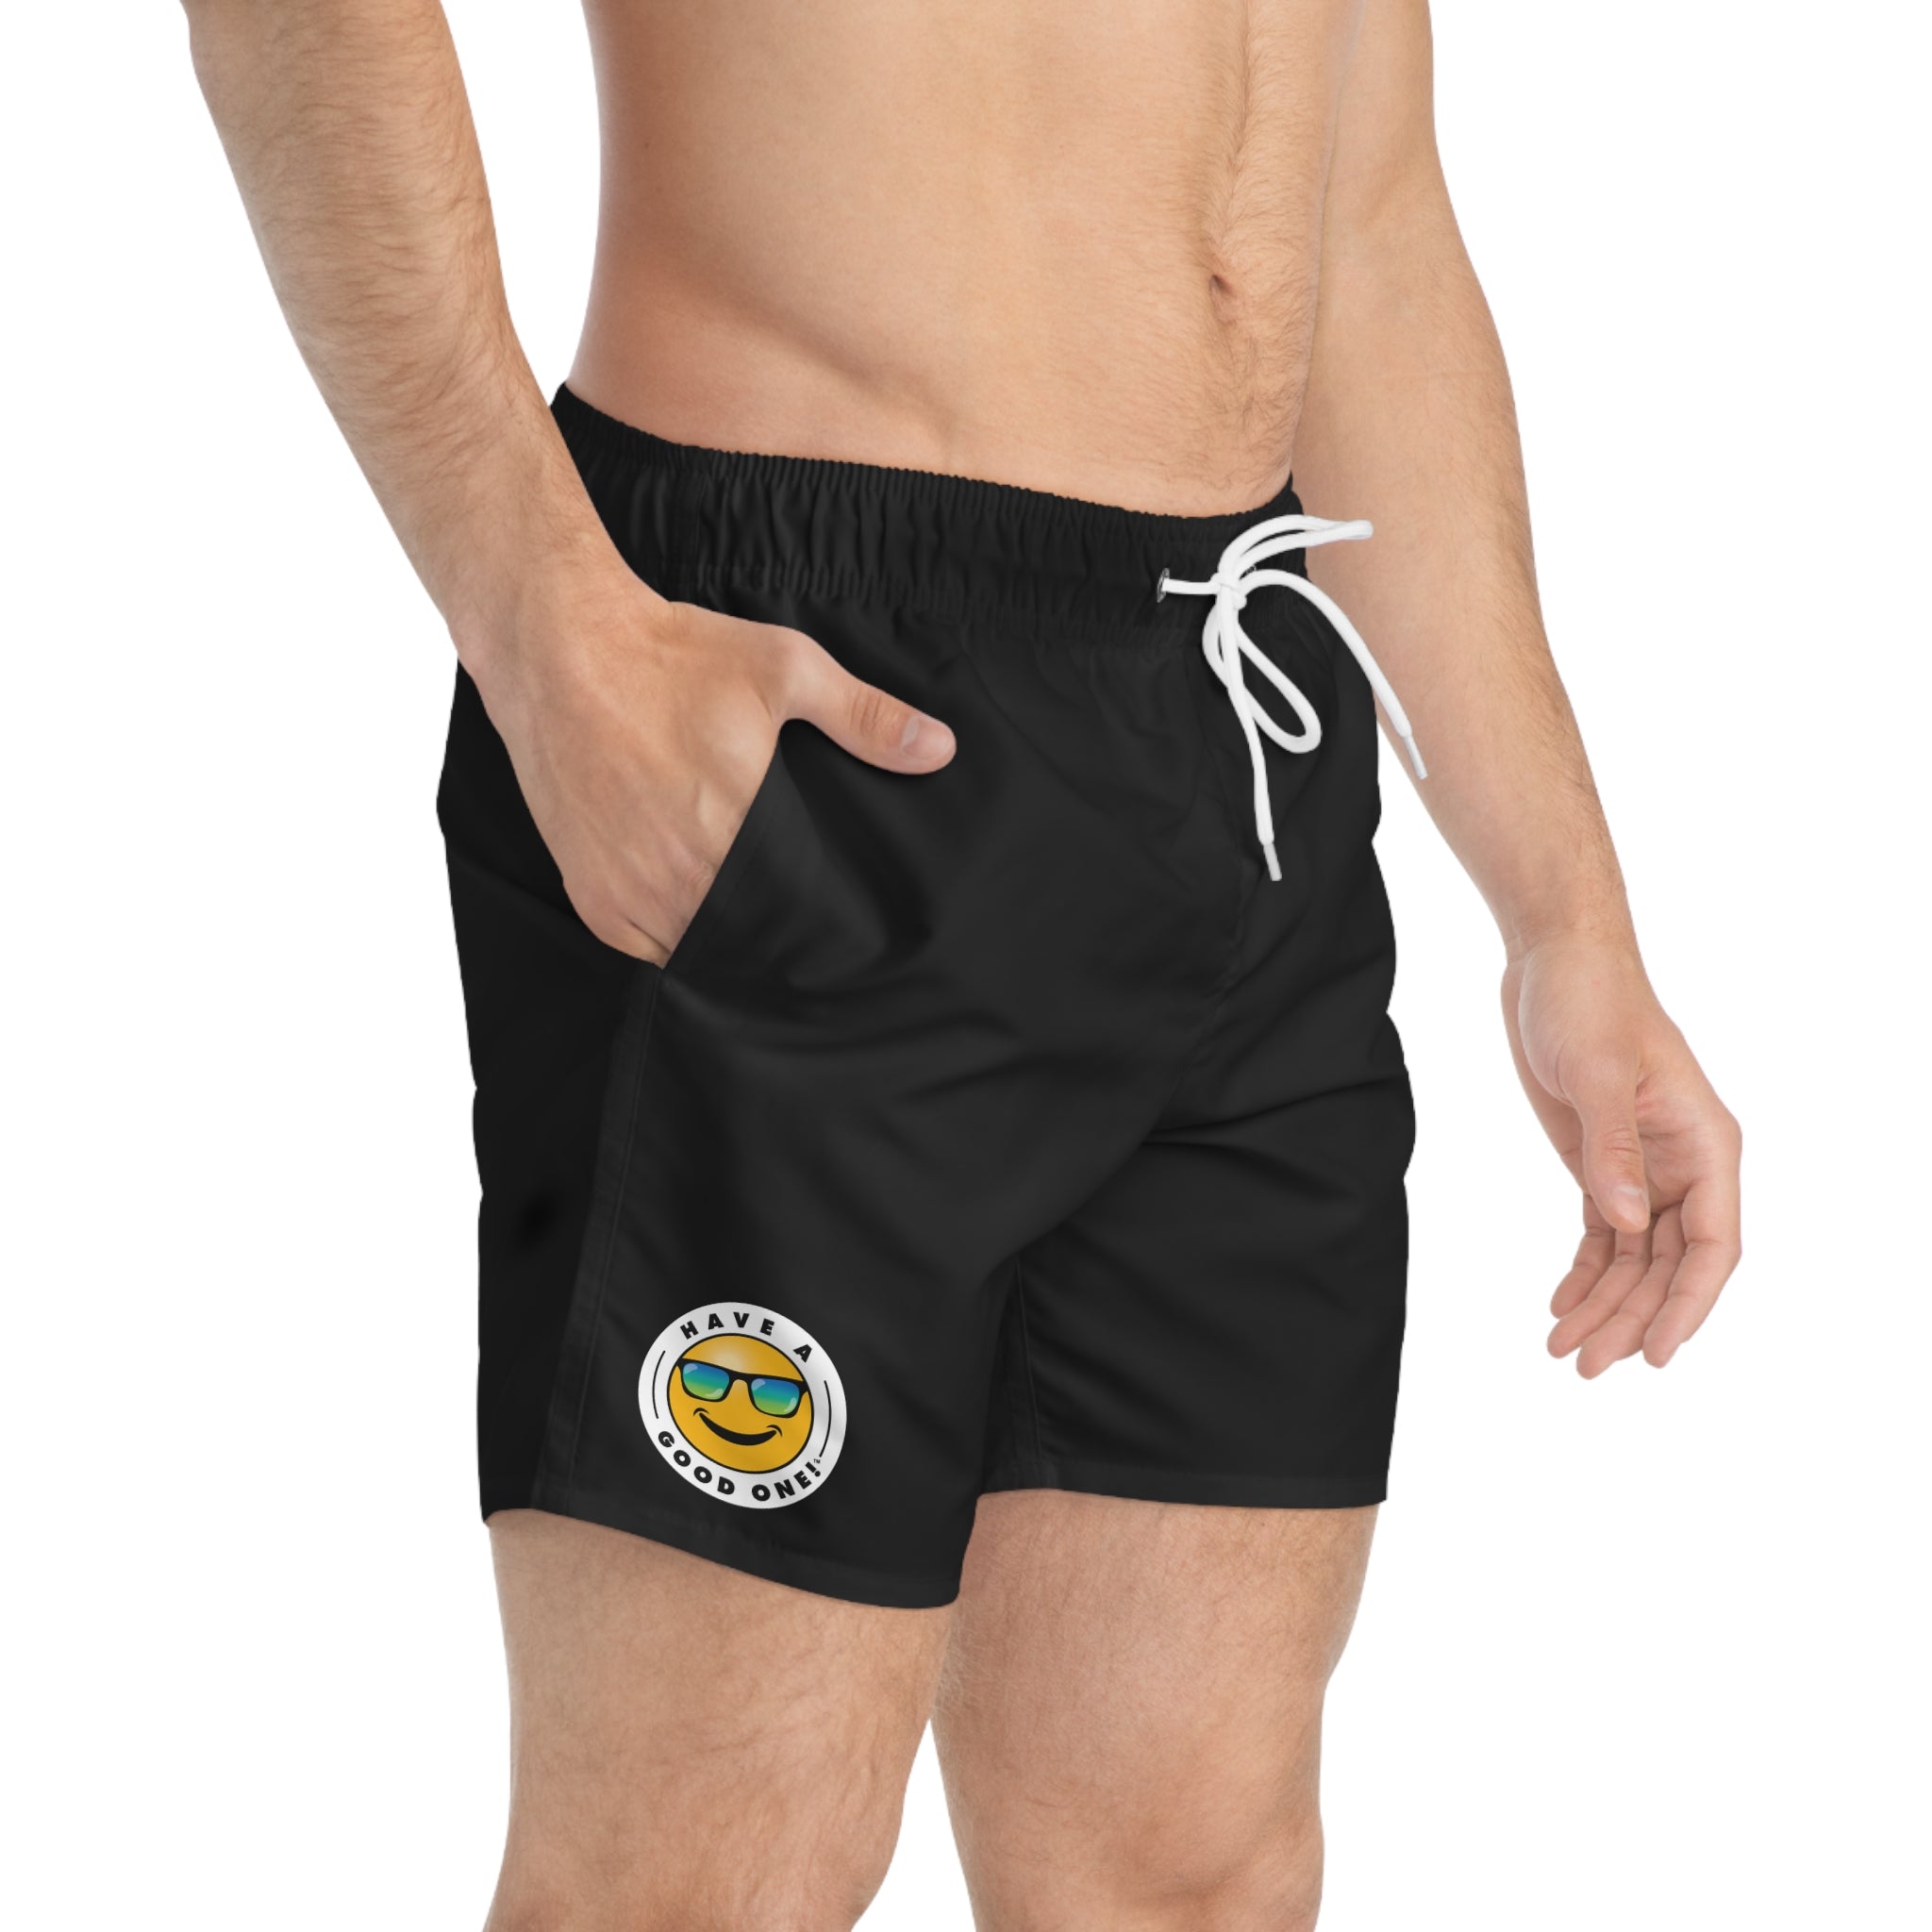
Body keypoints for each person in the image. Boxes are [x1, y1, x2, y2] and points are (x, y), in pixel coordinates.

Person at [183, 2, 1742, 1925]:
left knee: (1187, 1874)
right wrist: (538, 614)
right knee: (701, 1881)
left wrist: (1566, 915)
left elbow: (1362, 217)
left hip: (1237, 728)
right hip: (808, 698)